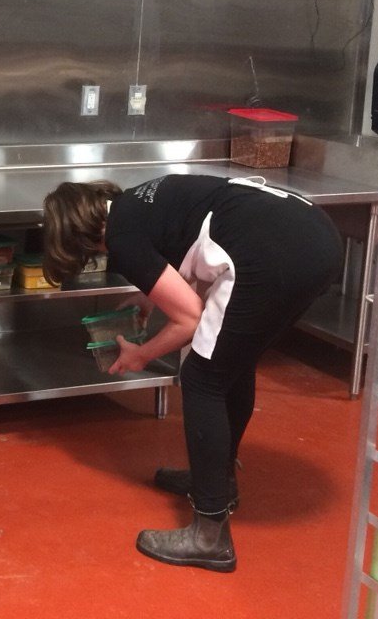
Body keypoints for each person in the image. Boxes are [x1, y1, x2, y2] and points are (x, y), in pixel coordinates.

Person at [41, 173, 342, 572]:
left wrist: (141, 355)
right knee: (230, 360)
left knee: (202, 378)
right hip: (313, 236)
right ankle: (218, 483)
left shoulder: (123, 238)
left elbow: (188, 318)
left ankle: (209, 534)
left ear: (78, 239)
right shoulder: (137, 201)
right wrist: (147, 294)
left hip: (275, 255)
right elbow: (196, 247)